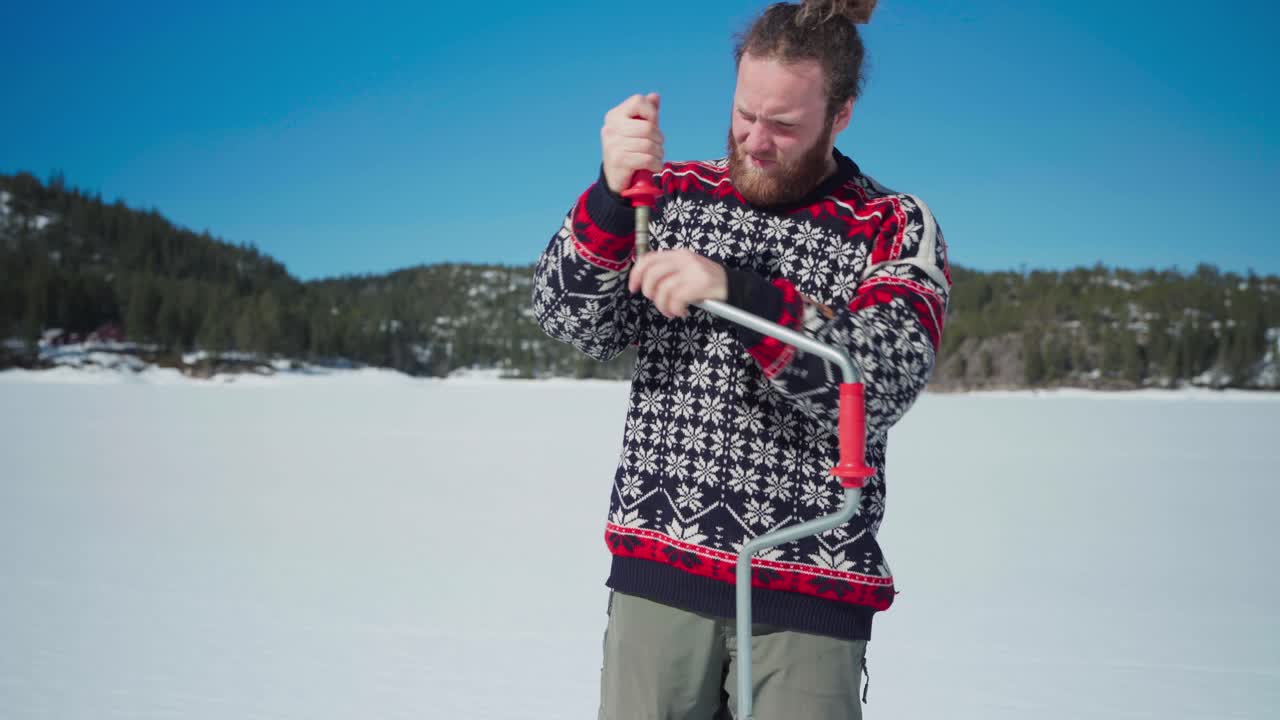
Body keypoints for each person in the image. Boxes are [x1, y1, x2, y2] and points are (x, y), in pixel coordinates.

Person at [533, 1, 951, 717]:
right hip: (660, 579)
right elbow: (568, 318)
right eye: (744, 113)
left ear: (841, 113)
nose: (755, 141)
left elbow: (880, 380)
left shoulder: (891, 223)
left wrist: (740, 294)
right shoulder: (678, 197)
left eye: (784, 125)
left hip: (808, 596)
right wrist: (609, 194)